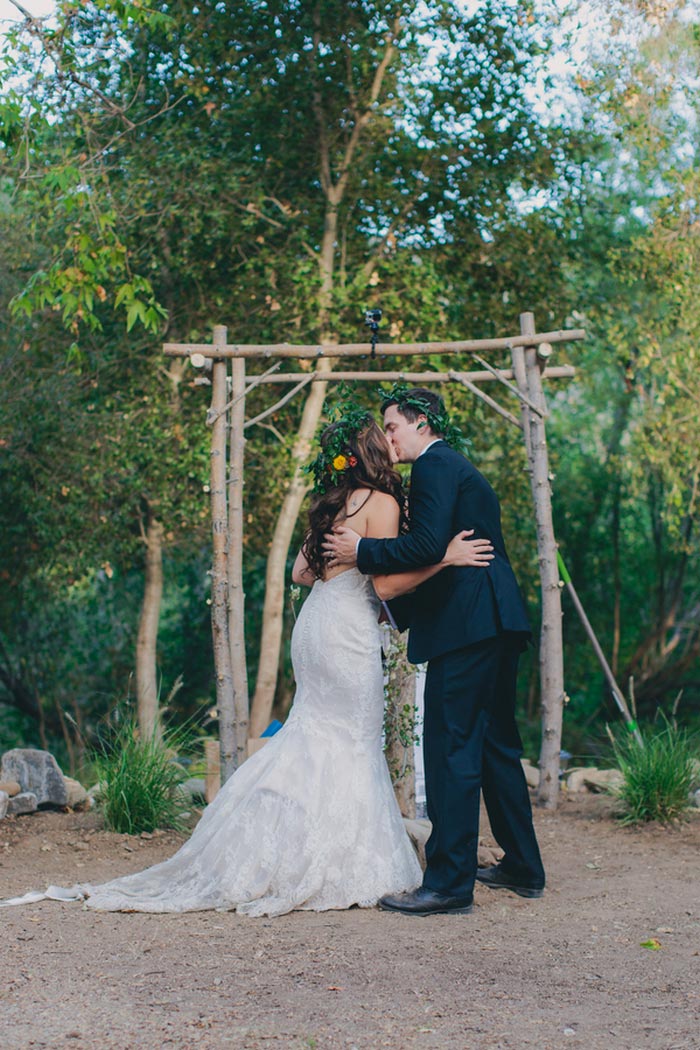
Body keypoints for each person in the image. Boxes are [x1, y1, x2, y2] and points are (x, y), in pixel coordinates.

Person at [1, 408, 490, 918]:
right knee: (350, 738)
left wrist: (343, 564)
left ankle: (264, 846)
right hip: (347, 631)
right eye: (384, 436)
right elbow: (387, 585)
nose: (392, 444)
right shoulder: (384, 501)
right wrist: (444, 559)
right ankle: (334, 860)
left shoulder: (335, 502)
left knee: (311, 730)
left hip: (316, 624)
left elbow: (302, 572)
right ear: (373, 449)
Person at [323, 387, 545, 917]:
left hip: (467, 627)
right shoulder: (454, 467)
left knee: (451, 750)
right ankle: (522, 866)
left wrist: (363, 550)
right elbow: (437, 547)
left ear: (421, 422)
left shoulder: (435, 466)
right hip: (495, 622)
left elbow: (424, 545)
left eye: (393, 426)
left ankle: (447, 885)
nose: (388, 437)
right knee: (492, 747)